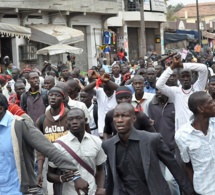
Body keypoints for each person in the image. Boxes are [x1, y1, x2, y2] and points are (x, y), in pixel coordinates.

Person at [0, 93, 89, 195]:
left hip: (17, 190)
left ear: (1, 108)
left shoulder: (19, 126)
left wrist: (75, 176)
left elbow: (49, 149)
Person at [102, 102, 194, 195]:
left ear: (134, 119)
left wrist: (189, 191)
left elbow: (174, 167)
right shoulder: (108, 145)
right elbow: (111, 177)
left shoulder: (152, 140)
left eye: (124, 116)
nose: (119, 120)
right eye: (116, 116)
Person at [48, 108, 107, 195]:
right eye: (70, 119)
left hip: (92, 192)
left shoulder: (96, 141)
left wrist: (100, 188)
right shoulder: (58, 145)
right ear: (66, 123)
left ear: (86, 120)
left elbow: (100, 169)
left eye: (78, 118)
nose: (74, 121)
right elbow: (49, 175)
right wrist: (61, 178)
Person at [175, 91, 215, 194]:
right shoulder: (183, 135)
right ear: (201, 109)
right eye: (211, 102)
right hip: (204, 190)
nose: (214, 103)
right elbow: (187, 165)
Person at [156, 55, 208, 130]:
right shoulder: (175, 92)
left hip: (197, 132)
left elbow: (203, 68)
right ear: (178, 78)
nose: (186, 79)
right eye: (183, 77)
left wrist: (181, 65)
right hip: (182, 133)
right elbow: (159, 85)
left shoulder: (198, 88)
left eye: (188, 76)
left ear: (192, 77)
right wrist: (172, 66)